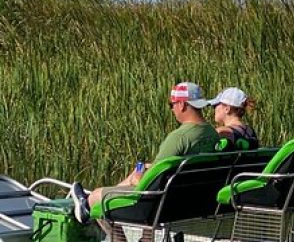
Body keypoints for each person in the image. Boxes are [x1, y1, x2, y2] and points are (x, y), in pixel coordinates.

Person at [71, 81, 219, 225]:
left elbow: (155, 177)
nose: (172, 110)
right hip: (192, 200)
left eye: (171, 105)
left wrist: (138, 177)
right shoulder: (212, 133)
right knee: (142, 168)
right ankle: (144, 241)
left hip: (156, 204)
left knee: (97, 196)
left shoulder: (179, 137)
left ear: (182, 104)